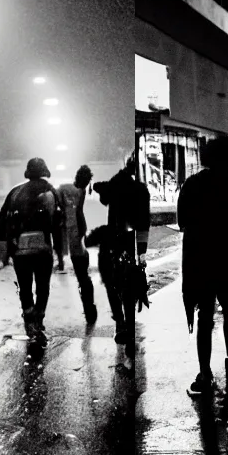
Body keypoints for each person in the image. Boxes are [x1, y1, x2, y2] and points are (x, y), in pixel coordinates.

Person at [177, 137, 228, 396]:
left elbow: (182, 222)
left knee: (204, 318)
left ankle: (205, 373)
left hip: (200, 262)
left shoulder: (192, 185)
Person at [0, 157, 63, 355]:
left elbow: (2, 220)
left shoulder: (15, 193)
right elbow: (58, 224)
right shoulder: (51, 191)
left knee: (25, 287)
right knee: (42, 287)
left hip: (20, 249)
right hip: (43, 249)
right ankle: (38, 320)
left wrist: (2, 250)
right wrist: (60, 253)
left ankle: (29, 322)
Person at [91, 153, 151, 359]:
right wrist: (142, 252)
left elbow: (103, 193)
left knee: (111, 282)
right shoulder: (142, 190)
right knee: (130, 286)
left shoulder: (116, 184)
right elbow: (145, 223)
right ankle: (127, 325)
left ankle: (120, 324)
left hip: (115, 241)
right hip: (133, 243)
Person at [57, 165, 97, 325]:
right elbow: (79, 213)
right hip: (76, 235)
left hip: (69, 233)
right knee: (83, 276)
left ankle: (89, 308)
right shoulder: (80, 192)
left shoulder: (64, 188)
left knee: (82, 276)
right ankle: (89, 308)